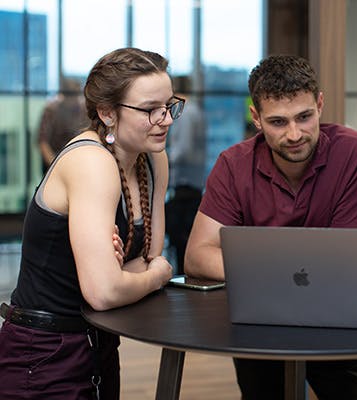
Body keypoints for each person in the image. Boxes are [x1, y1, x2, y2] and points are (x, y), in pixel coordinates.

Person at [184, 54, 357, 400]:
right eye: (278, 122)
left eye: (304, 117)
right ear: (256, 118)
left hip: (335, 323)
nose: (294, 134)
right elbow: (197, 257)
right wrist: (286, 275)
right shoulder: (233, 165)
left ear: (320, 104)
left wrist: (258, 271)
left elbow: (346, 268)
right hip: (260, 326)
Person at [0, 47, 179, 399]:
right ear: (107, 113)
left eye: (169, 106)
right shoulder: (91, 162)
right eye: (149, 110)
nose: (167, 119)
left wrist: (128, 273)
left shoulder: (154, 162)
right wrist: (155, 275)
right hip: (43, 352)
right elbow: (106, 290)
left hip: (99, 342)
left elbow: (143, 258)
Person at [165, 75, 206, 274]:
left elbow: (184, 149)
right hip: (192, 182)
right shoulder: (196, 110)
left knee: (180, 242)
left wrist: (160, 160)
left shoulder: (186, 113)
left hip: (185, 185)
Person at [37, 77, 89, 171]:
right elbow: (43, 142)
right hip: (54, 161)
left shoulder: (83, 110)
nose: (75, 99)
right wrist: (55, 166)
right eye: (72, 95)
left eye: (77, 94)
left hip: (78, 161)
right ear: (64, 95)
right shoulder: (52, 110)